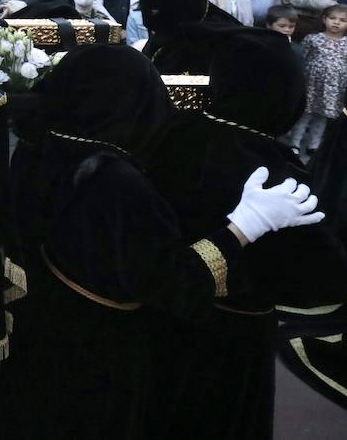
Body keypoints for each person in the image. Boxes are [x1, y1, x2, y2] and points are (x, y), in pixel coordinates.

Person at [0, 45, 325, 440]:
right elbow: (171, 282)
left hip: (40, 324)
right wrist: (245, 226)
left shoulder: (40, 146)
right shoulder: (116, 182)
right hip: (95, 349)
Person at [144, 26, 347, 439]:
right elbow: (322, 279)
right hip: (233, 341)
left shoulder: (173, 135)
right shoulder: (281, 172)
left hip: (155, 325)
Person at [286, 4, 347, 159]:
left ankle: (314, 145)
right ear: (324, 19)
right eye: (332, 18)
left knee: (322, 118)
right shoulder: (313, 39)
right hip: (312, 85)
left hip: (333, 90)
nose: (336, 22)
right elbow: (304, 58)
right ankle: (295, 142)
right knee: (305, 115)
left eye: (342, 20)